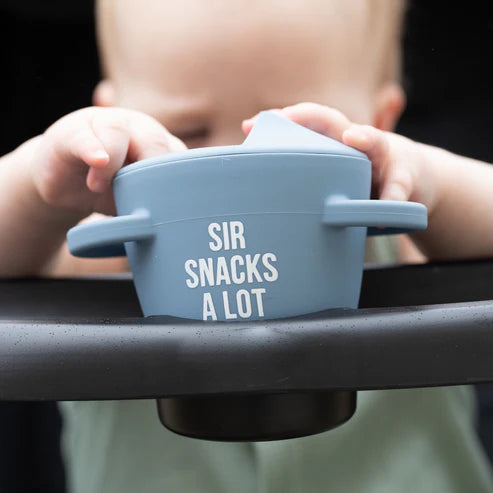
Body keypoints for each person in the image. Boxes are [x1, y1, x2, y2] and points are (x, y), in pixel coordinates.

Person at [0, 0, 492, 491]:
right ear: (114, 117)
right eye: (187, 134)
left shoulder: (399, 241)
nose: (233, 165)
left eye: (290, 135)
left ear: (378, 125)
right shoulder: (107, 256)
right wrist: (39, 187)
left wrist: (434, 183)